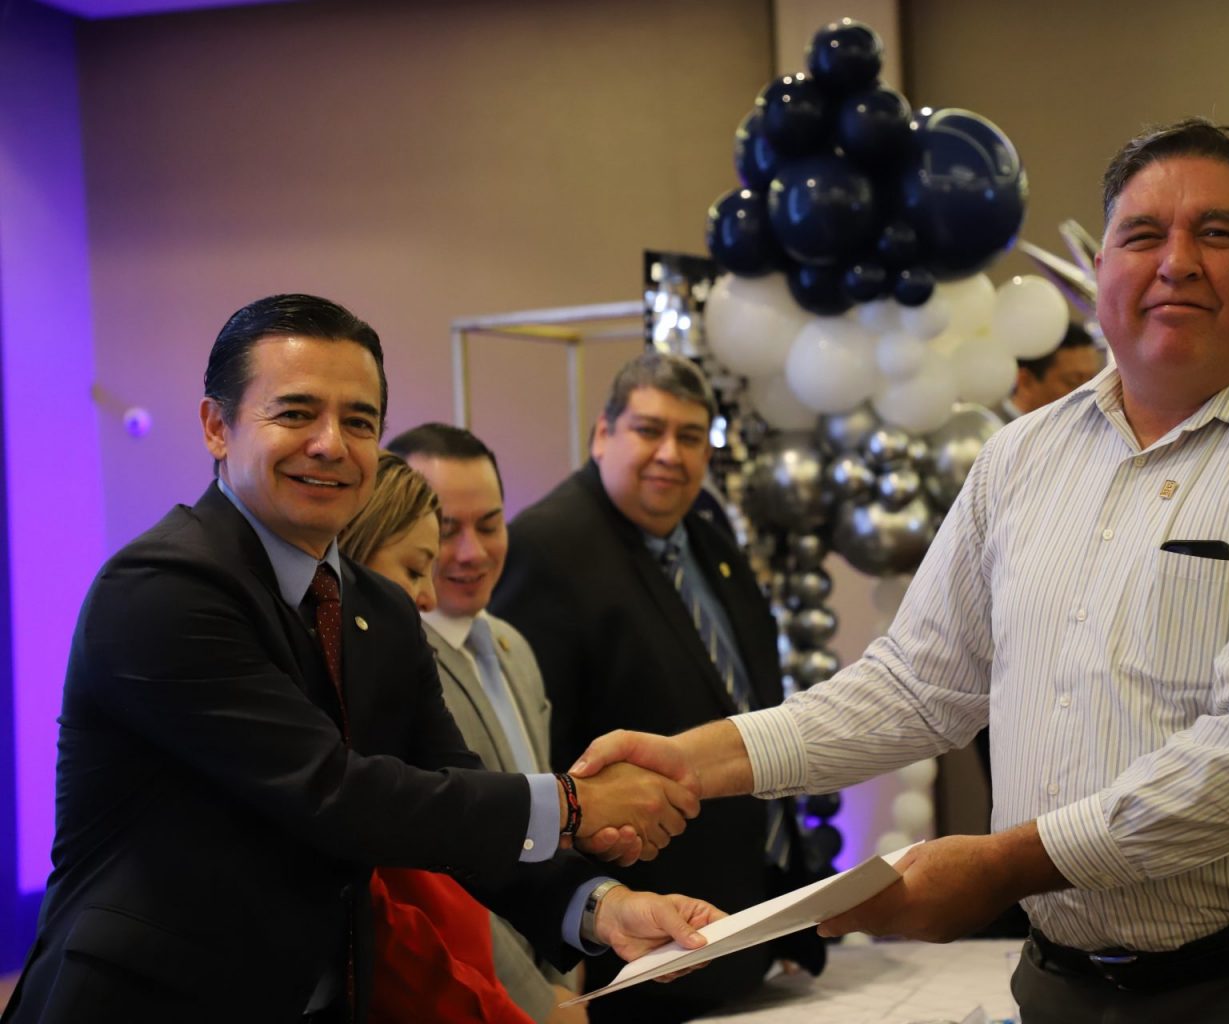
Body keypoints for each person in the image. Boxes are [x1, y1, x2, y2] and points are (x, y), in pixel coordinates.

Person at [574, 120, 1229, 1024]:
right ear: (1100, 272)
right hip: (1063, 987)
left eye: (1217, 232)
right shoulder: (1023, 456)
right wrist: (693, 761)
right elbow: (917, 684)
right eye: (1142, 235)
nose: (1176, 262)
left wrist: (1002, 867)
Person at [3, 294, 717, 1024]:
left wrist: (602, 907)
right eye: (296, 413)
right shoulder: (163, 587)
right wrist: (571, 803)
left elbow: (452, 789)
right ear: (217, 426)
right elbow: (335, 796)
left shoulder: (378, 608)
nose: (330, 444)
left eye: (359, 422)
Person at [490, 351, 825, 1023]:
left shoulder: (707, 534)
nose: (670, 453)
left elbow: (747, 698)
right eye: (649, 430)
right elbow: (541, 753)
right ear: (603, 434)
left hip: (742, 926)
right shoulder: (547, 546)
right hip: (642, 948)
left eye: (690, 436)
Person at [385, 423, 586, 1024]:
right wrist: (533, 1001)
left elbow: (541, 831)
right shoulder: (390, 665)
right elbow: (441, 869)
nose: (472, 552)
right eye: (447, 530)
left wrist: (566, 969)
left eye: (490, 524)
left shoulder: (512, 646)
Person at [337, 451, 539, 1024]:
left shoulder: (512, 647)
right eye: (413, 569)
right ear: (351, 558)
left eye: (490, 523)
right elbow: (394, 923)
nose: (426, 597)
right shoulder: (356, 712)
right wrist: (515, 1010)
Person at [996, 323, 1103, 421]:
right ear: (1025, 381)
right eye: (1074, 381)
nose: (1090, 395)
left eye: (1092, 380)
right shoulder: (993, 430)